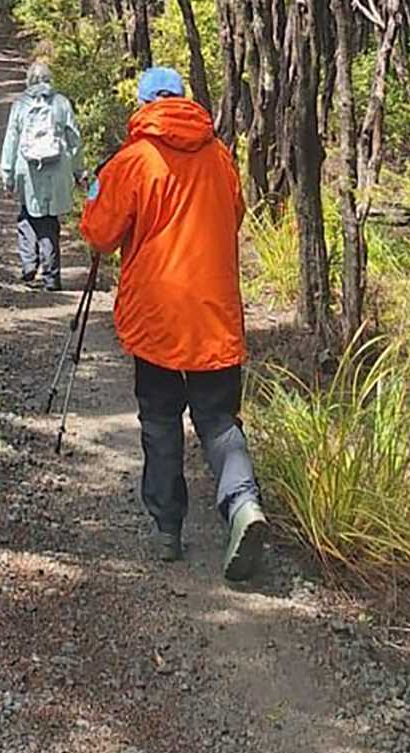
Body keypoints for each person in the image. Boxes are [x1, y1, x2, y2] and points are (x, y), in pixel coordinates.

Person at [78, 63, 268, 582]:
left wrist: (96, 198)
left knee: (160, 420)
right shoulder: (221, 157)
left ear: (143, 106)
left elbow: (98, 234)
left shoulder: (133, 161)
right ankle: (243, 502)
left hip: (158, 317)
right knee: (218, 420)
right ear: (183, 101)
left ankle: (168, 528)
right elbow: (236, 214)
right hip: (213, 313)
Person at [0, 57, 83, 290]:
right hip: (56, 169)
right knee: (49, 220)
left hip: (27, 170)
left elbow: (11, 141)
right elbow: (74, 140)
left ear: (29, 80)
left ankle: (28, 264)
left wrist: (7, 176)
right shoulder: (61, 103)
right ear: (49, 79)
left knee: (27, 214)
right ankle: (51, 277)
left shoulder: (20, 105)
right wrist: (78, 171)